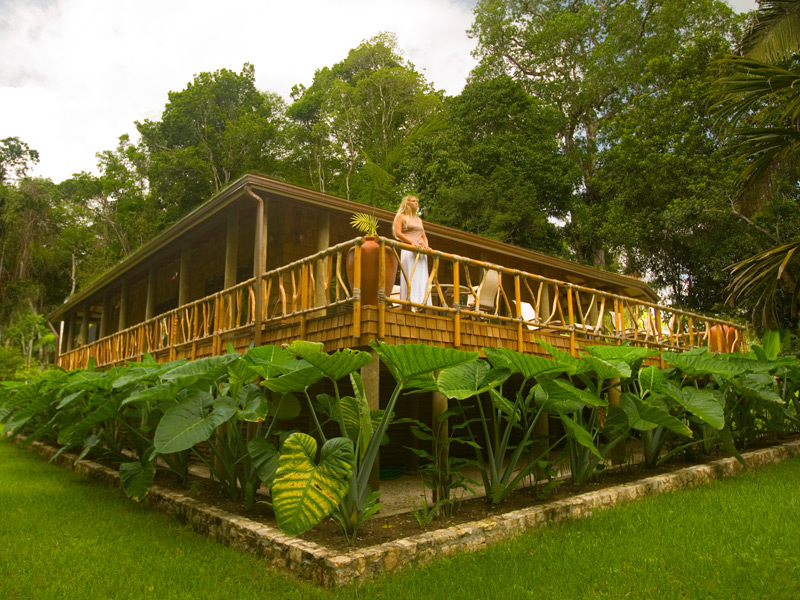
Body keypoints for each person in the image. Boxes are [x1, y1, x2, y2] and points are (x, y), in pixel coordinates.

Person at [393, 195, 431, 307]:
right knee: (410, 275)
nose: (416, 203)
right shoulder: (401, 216)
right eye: (413, 201)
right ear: (407, 203)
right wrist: (411, 242)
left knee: (422, 277)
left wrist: (427, 246)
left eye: (417, 201)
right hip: (409, 250)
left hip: (421, 251)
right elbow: (398, 233)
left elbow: (424, 236)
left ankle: (422, 303)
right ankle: (409, 303)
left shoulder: (418, 220)